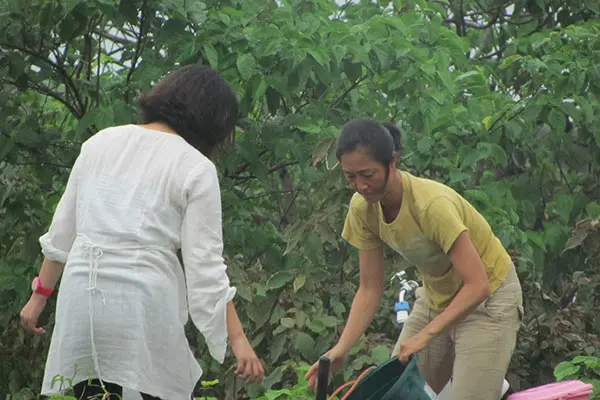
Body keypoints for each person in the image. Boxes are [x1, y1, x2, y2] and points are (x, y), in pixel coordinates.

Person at [19, 65, 264, 400]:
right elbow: (205, 270)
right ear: (214, 122)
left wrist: (38, 297)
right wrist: (238, 341)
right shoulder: (196, 167)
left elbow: (62, 233)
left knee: (88, 392)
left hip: (82, 305)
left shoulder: (99, 142)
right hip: (143, 308)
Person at [305, 118, 523, 399]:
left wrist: (424, 336)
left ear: (391, 162)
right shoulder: (362, 210)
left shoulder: (432, 205)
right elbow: (369, 288)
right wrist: (341, 349)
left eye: (367, 174)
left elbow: (478, 285)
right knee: (394, 390)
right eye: (350, 177)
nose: (360, 186)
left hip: (489, 300)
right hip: (436, 299)